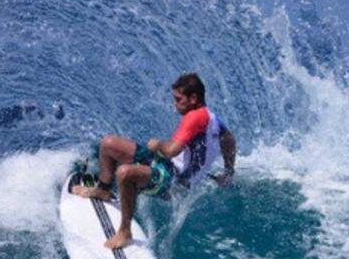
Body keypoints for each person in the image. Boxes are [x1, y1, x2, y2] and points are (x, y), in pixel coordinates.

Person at [72, 73, 236, 249]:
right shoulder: (213, 119)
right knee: (108, 144)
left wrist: (158, 145)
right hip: (166, 164)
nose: (174, 104)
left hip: (176, 182)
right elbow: (229, 139)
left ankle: (125, 232)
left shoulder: (194, 117)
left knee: (125, 173)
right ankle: (103, 190)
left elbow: (172, 150)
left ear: (193, 98)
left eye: (179, 99)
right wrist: (228, 170)